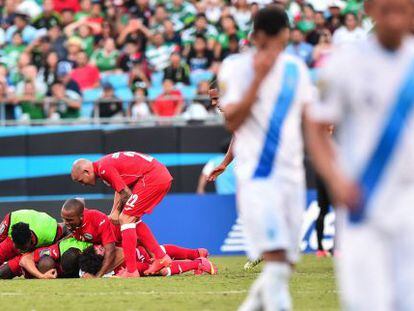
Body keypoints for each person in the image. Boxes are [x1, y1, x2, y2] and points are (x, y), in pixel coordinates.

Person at [305, 0, 414, 309]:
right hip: (363, 203)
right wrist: (336, 180)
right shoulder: (344, 64)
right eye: (386, 7)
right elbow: (315, 126)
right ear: (369, 9)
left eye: (402, 7)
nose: (394, 16)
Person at [218, 6, 314, 310]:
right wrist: (258, 79)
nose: (274, 44)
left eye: (279, 37)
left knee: (282, 266)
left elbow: (308, 119)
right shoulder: (236, 69)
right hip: (257, 178)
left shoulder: (295, 70)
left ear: (287, 34)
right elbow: (232, 121)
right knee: (274, 262)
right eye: (268, 37)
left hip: (292, 177)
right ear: (255, 37)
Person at [70, 152, 173, 278]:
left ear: (87, 171)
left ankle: (131, 271)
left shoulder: (103, 169)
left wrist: (119, 212)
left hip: (152, 178)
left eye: (81, 180)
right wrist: (114, 211)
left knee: (126, 219)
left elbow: (126, 194)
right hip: (157, 175)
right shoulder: (103, 166)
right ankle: (161, 257)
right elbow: (120, 188)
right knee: (131, 219)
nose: (83, 184)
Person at [79, 243, 215, 277]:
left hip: (141, 252)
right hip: (142, 260)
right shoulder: (114, 270)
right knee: (161, 269)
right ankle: (197, 260)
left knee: (161, 253)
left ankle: (197, 257)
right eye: (101, 250)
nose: (104, 247)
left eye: (100, 246)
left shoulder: (108, 241)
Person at [0, 209, 66, 277]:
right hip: (16, 229)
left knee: (3, 273)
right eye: (17, 247)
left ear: (31, 237)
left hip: (38, 244)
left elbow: (64, 227)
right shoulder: (11, 220)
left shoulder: (50, 234)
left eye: (22, 248)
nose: (19, 251)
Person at [60, 198, 117, 278]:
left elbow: (111, 251)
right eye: (63, 218)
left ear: (81, 217)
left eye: (69, 220)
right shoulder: (74, 219)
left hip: (119, 244)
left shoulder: (98, 219)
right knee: (70, 257)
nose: (66, 223)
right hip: (98, 248)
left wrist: (97, 276)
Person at [18, 237, 93, 279]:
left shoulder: (94, 249)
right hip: (21, 263)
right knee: (46, 263)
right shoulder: (57, 249)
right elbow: (25, 259)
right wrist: (42, 276)